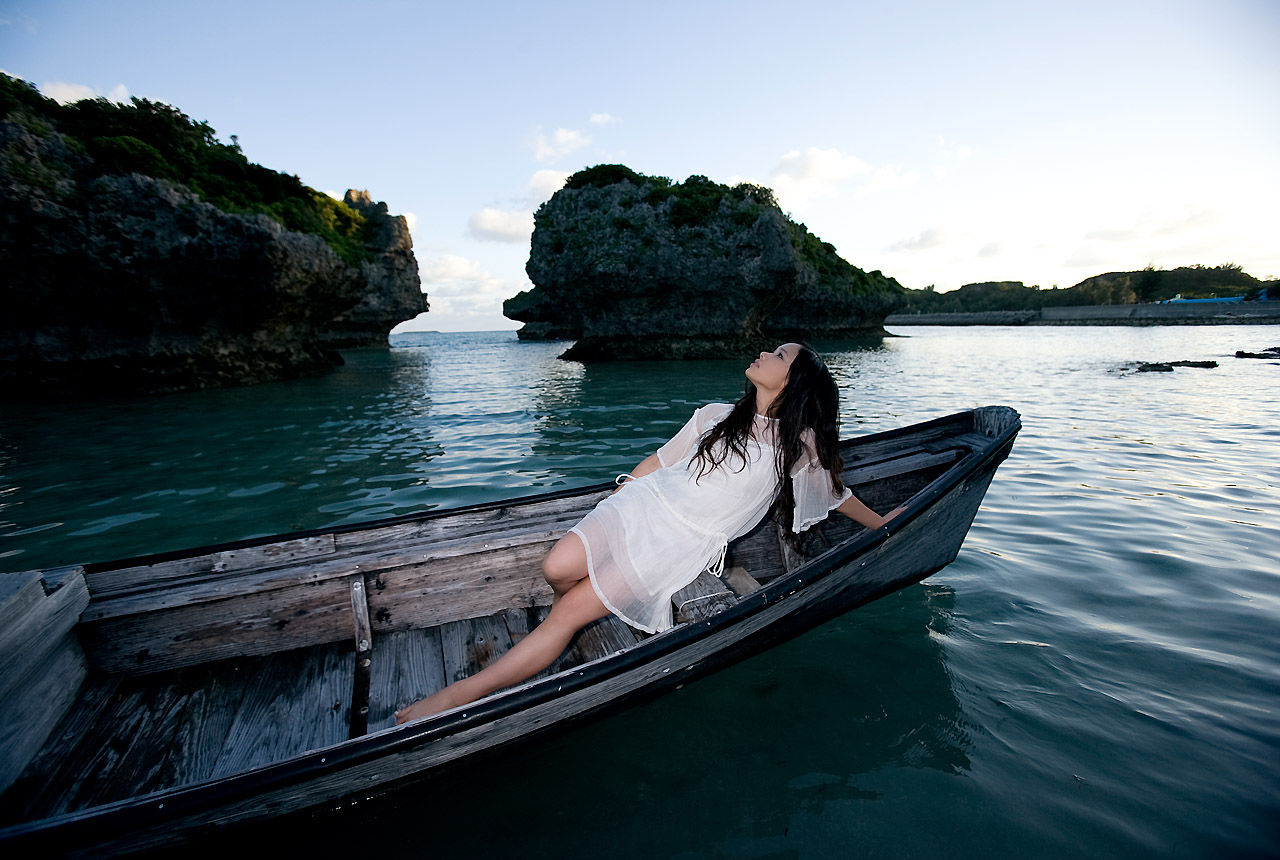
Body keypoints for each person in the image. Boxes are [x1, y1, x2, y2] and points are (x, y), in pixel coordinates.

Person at [395, 343, 900, 724]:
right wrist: (615, 501)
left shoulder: (800, 447)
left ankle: (463, 694)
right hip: (642, 505)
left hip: (680, 543)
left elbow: (836, 495)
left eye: (779, 354)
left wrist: (883, 525)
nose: (764, 352)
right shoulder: (715, 416)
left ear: (794, 381)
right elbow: (658, 463)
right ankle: (566, 626)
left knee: (569, 613)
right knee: (556, 568)